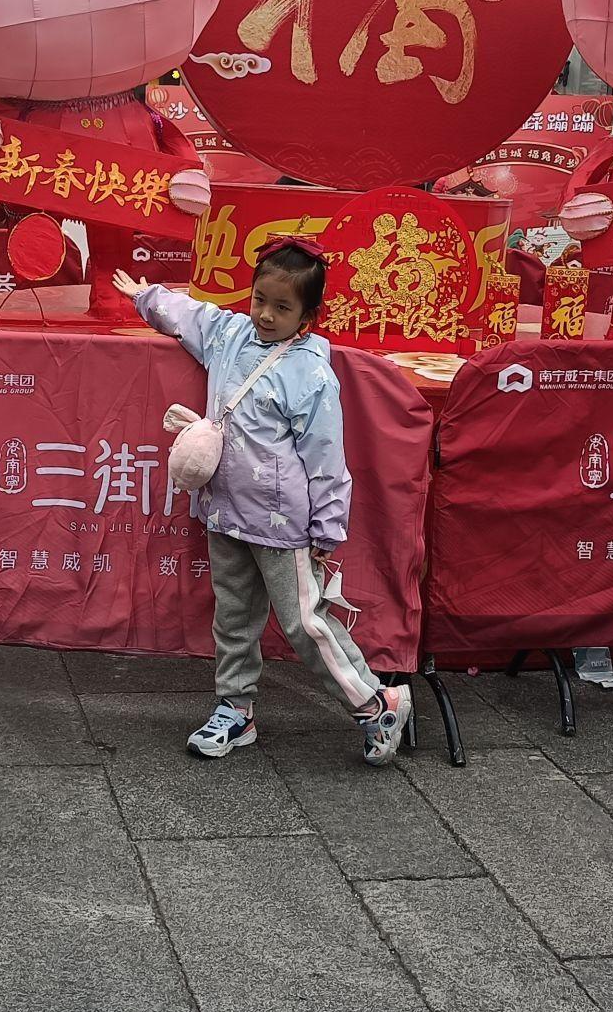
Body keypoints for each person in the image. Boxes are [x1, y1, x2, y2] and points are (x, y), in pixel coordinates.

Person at [114, 236, 412, 766]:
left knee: (304, 623)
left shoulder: (312, 375)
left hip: (282, 525)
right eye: (259, 300)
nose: (265, 315)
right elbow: (191, 316)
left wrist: (327, 528)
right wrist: (148, 296)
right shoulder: (229, 336)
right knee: (232, 617)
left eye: (282, 307)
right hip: (224, 510)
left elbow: (325, 458)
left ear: (308, 316)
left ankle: (375, 701)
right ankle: (236, 710)